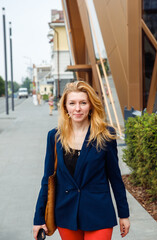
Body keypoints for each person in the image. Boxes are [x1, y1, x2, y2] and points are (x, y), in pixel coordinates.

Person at [33, 81, 130, 240]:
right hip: (66, 213)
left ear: (90, 105)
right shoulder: (55, 137)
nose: (77, 108)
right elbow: (47, 179)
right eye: (72, 103)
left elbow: (115, 178)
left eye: (83, 103)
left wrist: (123, 214)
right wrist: (38, 219)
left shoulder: (105, 135)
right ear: (65, 107)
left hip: (99, 213)